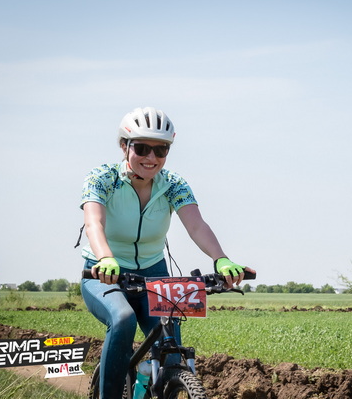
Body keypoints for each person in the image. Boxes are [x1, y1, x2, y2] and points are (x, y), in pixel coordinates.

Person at [80, 107, 255, 399]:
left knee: (170, 348)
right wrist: (105, 257)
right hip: (104, 273)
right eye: (142, 148)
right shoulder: (102, 177)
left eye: (161, 150)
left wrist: (221, 258)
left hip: (154, 273)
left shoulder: (173, 183)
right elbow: (93, 223)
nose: (151, 157)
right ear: (124, 146)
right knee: (122, 319)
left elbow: (196, 225)